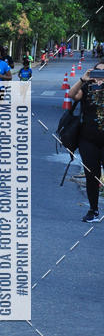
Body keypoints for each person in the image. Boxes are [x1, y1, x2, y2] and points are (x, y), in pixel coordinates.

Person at [69, 62, 104, 222]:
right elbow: (71, 94)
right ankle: (93, 210)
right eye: (98, 71)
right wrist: (83, 79)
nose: (100, 76)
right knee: (92, 175)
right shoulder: (86, 87)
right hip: (88, 139)